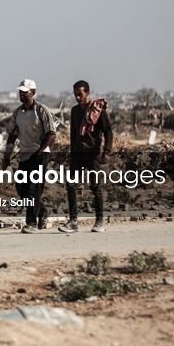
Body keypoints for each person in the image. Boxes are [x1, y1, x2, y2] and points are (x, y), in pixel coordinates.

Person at [1, 79, 56, 234]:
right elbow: (12, 135)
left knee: (33, 189)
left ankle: (31, 223)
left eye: (25, 92)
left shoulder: (41, 110)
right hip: (25, 155)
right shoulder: (18, 113)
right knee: (22, 189)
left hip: (40, 155)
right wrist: (7, 157)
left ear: (33, 93)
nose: (22, 94)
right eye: (21, 91)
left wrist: (41, 150)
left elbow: (51, 133)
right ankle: (42, 211)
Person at [58, 80, 113, 233]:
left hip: (93, 154)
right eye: (75, 95)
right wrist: (72, 153)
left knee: (95, 187)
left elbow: (108, 131)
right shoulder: (74, 111)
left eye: (80, 95)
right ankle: (73, 221)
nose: (77, 98)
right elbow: (73, 134)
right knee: (71, 186)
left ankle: (99, 221)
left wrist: (106, 151)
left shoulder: (97, 110)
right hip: (77, 154)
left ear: (87, 93)